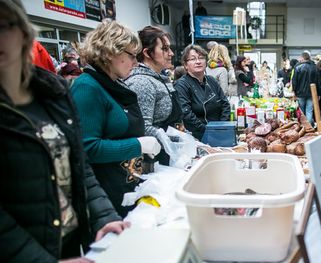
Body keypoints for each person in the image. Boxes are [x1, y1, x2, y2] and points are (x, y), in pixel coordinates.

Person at [0, 1, 129, 263]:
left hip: (67, 247)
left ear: (22, 31)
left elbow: (78, 165)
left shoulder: (52, 93)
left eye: (2, 26)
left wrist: (102, 216)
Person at [71, 20, 161, 218]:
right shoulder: (87, 87)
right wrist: (137, 145)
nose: (135, 62)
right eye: (131, 55)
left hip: (125, 184)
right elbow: (88, 148)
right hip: (105, 195)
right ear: (111, 52)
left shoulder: (113, 84)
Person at [125, 26, 183, 165]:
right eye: (164, 49)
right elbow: (143, 127)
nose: (171, 53)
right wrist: (172, 141)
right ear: (147, 53)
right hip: (153, 160)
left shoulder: (159, 78)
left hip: (168, 154)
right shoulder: (141, 82)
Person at [174, 44, 230, 140]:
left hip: (219, 134)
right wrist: (207, 131)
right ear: (185, 65)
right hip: (196, 137)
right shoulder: (181, 85)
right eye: (192, 59)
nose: (198, 62)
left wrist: (221, 127)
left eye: (201, 58)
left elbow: (225, 104)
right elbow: (186, 114)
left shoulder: (211, 80)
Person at [292, 50, 321, 124]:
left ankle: (303, 128)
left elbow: (294, 81)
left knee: (301, 112)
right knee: (309, 111)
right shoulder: (315, 67)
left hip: (300, 93)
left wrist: (294, 92)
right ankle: (309, 129)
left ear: (302, 58)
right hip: (312, 93)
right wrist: (319, 93)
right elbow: (319, 82)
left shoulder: (298, 67)